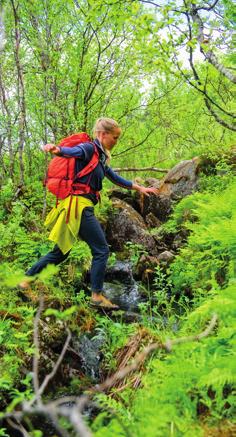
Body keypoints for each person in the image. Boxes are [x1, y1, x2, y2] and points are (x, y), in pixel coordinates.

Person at [20, 118, 158, 308]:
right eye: (115, 137)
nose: (116, 141)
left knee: (61, 253)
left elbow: (114, 177)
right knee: (101, 250)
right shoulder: (89, 148)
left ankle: (25, 281)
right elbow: (72, 152)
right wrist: (57, 149)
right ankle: (96, 296)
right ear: (103, 134)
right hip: (80, 208)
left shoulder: (99, 157)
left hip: (77, 207)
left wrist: (139, 188)